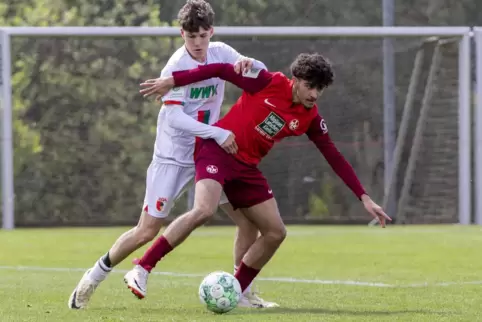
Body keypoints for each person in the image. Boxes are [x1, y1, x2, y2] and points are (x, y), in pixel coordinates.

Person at [129, 53, 392, 300]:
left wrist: (364, 198)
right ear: (296, 80)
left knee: (275, 232)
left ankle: (238, 291)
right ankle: (143, 267)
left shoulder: (309, 117)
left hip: (246, 168)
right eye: (310, 86)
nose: (314, 94)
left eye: (319, 89)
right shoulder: (268, 81)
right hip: (217, 150)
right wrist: (172, 81)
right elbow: (221, 70)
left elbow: (333, 155)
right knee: (204, 210)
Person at [68, 0, 278, 309]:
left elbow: (255, 72)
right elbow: (176, 118)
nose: (197, 43)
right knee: (146, 230)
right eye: (191, 37)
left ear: (211, 32)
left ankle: (242, 293)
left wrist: (249, 61)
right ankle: (94, 276)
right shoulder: (176, 67)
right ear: (182, 34)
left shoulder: (222, 52)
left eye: (202, 36)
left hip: (209, 155)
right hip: (173, 156)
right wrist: (218, 132)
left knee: (248, 224)